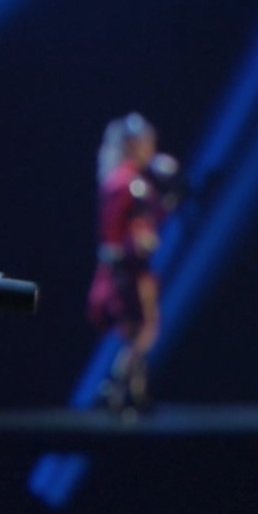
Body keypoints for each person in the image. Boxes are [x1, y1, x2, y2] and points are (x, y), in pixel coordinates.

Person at [86, 113, 178, 415]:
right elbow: (118, 228)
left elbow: (148, 219)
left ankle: (133, 391)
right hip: (126, 268)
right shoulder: (126, 181)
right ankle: (115, 386)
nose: (149, 148)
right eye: (144, 142)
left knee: (141, 329)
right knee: (142, 330)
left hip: (132, 266)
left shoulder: (128, 180)